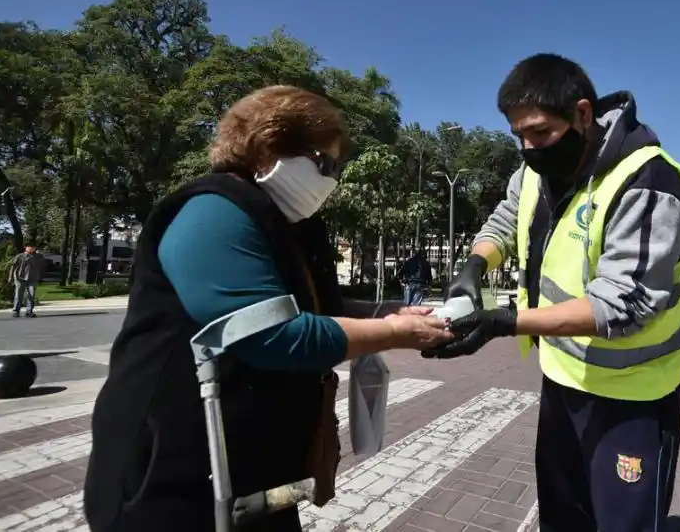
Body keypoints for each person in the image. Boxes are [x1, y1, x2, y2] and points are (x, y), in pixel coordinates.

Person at [83, 86, 453, 532]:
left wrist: (385, 312)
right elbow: (271, 335)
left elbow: (316, 305)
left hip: (252, 469)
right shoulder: (213, 212)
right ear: (268, 149)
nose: (332, 179)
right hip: (175, 473)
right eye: (325, 163)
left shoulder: (284, 224)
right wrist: (397, 333)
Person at [424, 54, 680, 532]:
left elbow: (624, 303)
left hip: (632, 393)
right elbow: (504, 219)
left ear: (581, 114)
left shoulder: (649, 181)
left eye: (539, 133)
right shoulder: (534, 173)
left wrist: (503, 322)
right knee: (563, 516)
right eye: (519, 136)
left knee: (622, 524)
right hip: (561, 379)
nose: (528, 148)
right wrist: (474, 265)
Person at [9, 242, 44, 318]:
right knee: (19, 295)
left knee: (31, 295)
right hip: (20, 278)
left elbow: (41, 267)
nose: (32, 248)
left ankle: (29, 311)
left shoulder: (38, 257)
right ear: (26, 248)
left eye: (33, 247)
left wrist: (40, 277)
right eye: (30, 247)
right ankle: (16, 311)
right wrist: (10, 277)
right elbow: (13, 267)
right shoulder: (20, 256)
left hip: (33, 278)